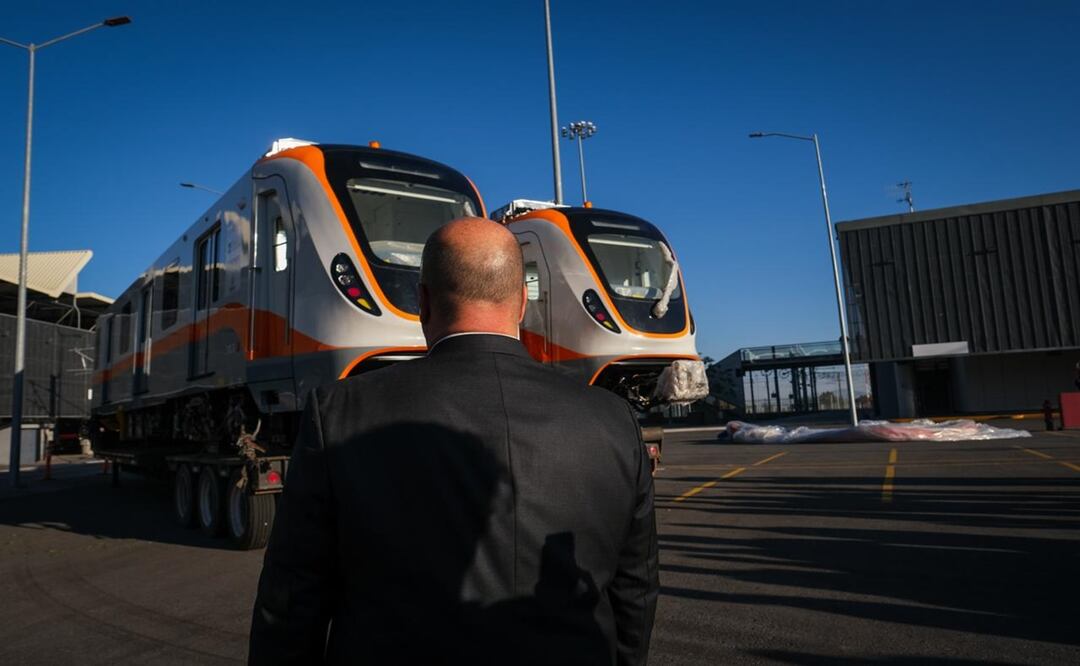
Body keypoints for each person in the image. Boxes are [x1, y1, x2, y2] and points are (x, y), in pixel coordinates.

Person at [249, 217, 658, 665]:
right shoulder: (613, 418)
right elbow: (634, 589)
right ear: (522, 303)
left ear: (422, 301)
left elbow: (292, 600)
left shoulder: (338, 412)